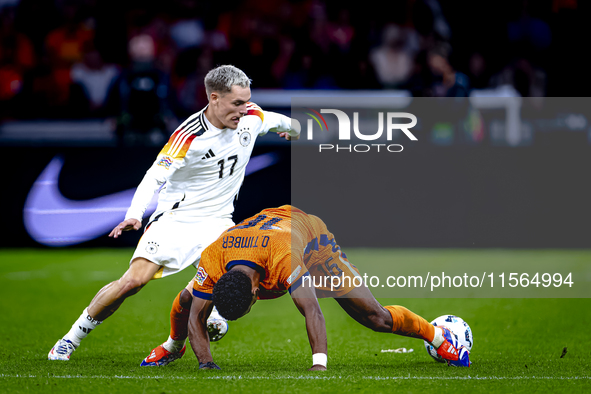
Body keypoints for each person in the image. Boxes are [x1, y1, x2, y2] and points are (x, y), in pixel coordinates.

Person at [48, 65, 301, 361]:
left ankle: (184, 337)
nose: (243, 109)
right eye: (236, 103)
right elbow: (154, 176)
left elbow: (282, 121)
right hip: (175, 220)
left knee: (233, 274)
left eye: (246, 101)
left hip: (218, 223)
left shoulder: (251, 117)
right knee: (132, 282)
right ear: (214, 98)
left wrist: (292, 132)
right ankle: (70, 339)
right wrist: (135, 214)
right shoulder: (188, 136)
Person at [150, 205, 470, 370]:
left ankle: (439, 337)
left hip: (312, 243)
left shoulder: (283, 259)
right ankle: (171, 347)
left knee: (375, 318)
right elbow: (194, 314)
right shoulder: (213, 256)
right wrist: (206, 365)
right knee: (188, 297)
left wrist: (319, 365)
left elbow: (312, 310)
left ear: (255, 291)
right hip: (258, 238)